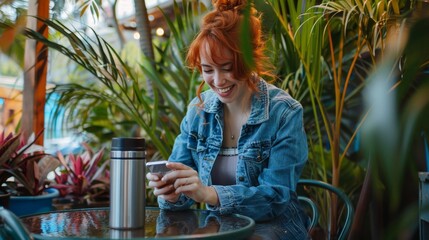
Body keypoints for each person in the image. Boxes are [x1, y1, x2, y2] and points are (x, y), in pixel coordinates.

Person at [146, 0, 309, 239]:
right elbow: (178, 203)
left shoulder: (284, 113)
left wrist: (210, 194)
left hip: (277, 230)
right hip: (220, 230)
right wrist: (172, 194)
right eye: (208, 69)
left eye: (227, 67)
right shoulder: (198, 112)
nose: (218, 81)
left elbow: (275, 198)